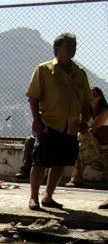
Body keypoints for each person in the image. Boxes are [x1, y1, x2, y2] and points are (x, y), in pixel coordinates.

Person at [26, 32, 92, 211]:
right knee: (40, 161)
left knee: (61, 161)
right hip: (49, 123)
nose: (72, 49)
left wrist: (83, 120)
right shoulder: (44, 70)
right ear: (57, 49)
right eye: (68, 46)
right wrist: (36, 120)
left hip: (70, 126)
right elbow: (33, 96)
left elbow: (86, 101)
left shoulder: (80, 73)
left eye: (74, 46)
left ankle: (48, 195)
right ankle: (33, 197)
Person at [68, 86, 108, 186]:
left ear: (101, 98)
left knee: (82, 141)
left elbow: (93, 128)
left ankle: (76, 178)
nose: (93, 97)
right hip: (90, 144)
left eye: (95, 95)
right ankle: (76, 179)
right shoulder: (86, 112)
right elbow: (78, 127)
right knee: (80, 145)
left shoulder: (105, 111)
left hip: (103, 146)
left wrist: (84, 129)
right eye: (90, 95)